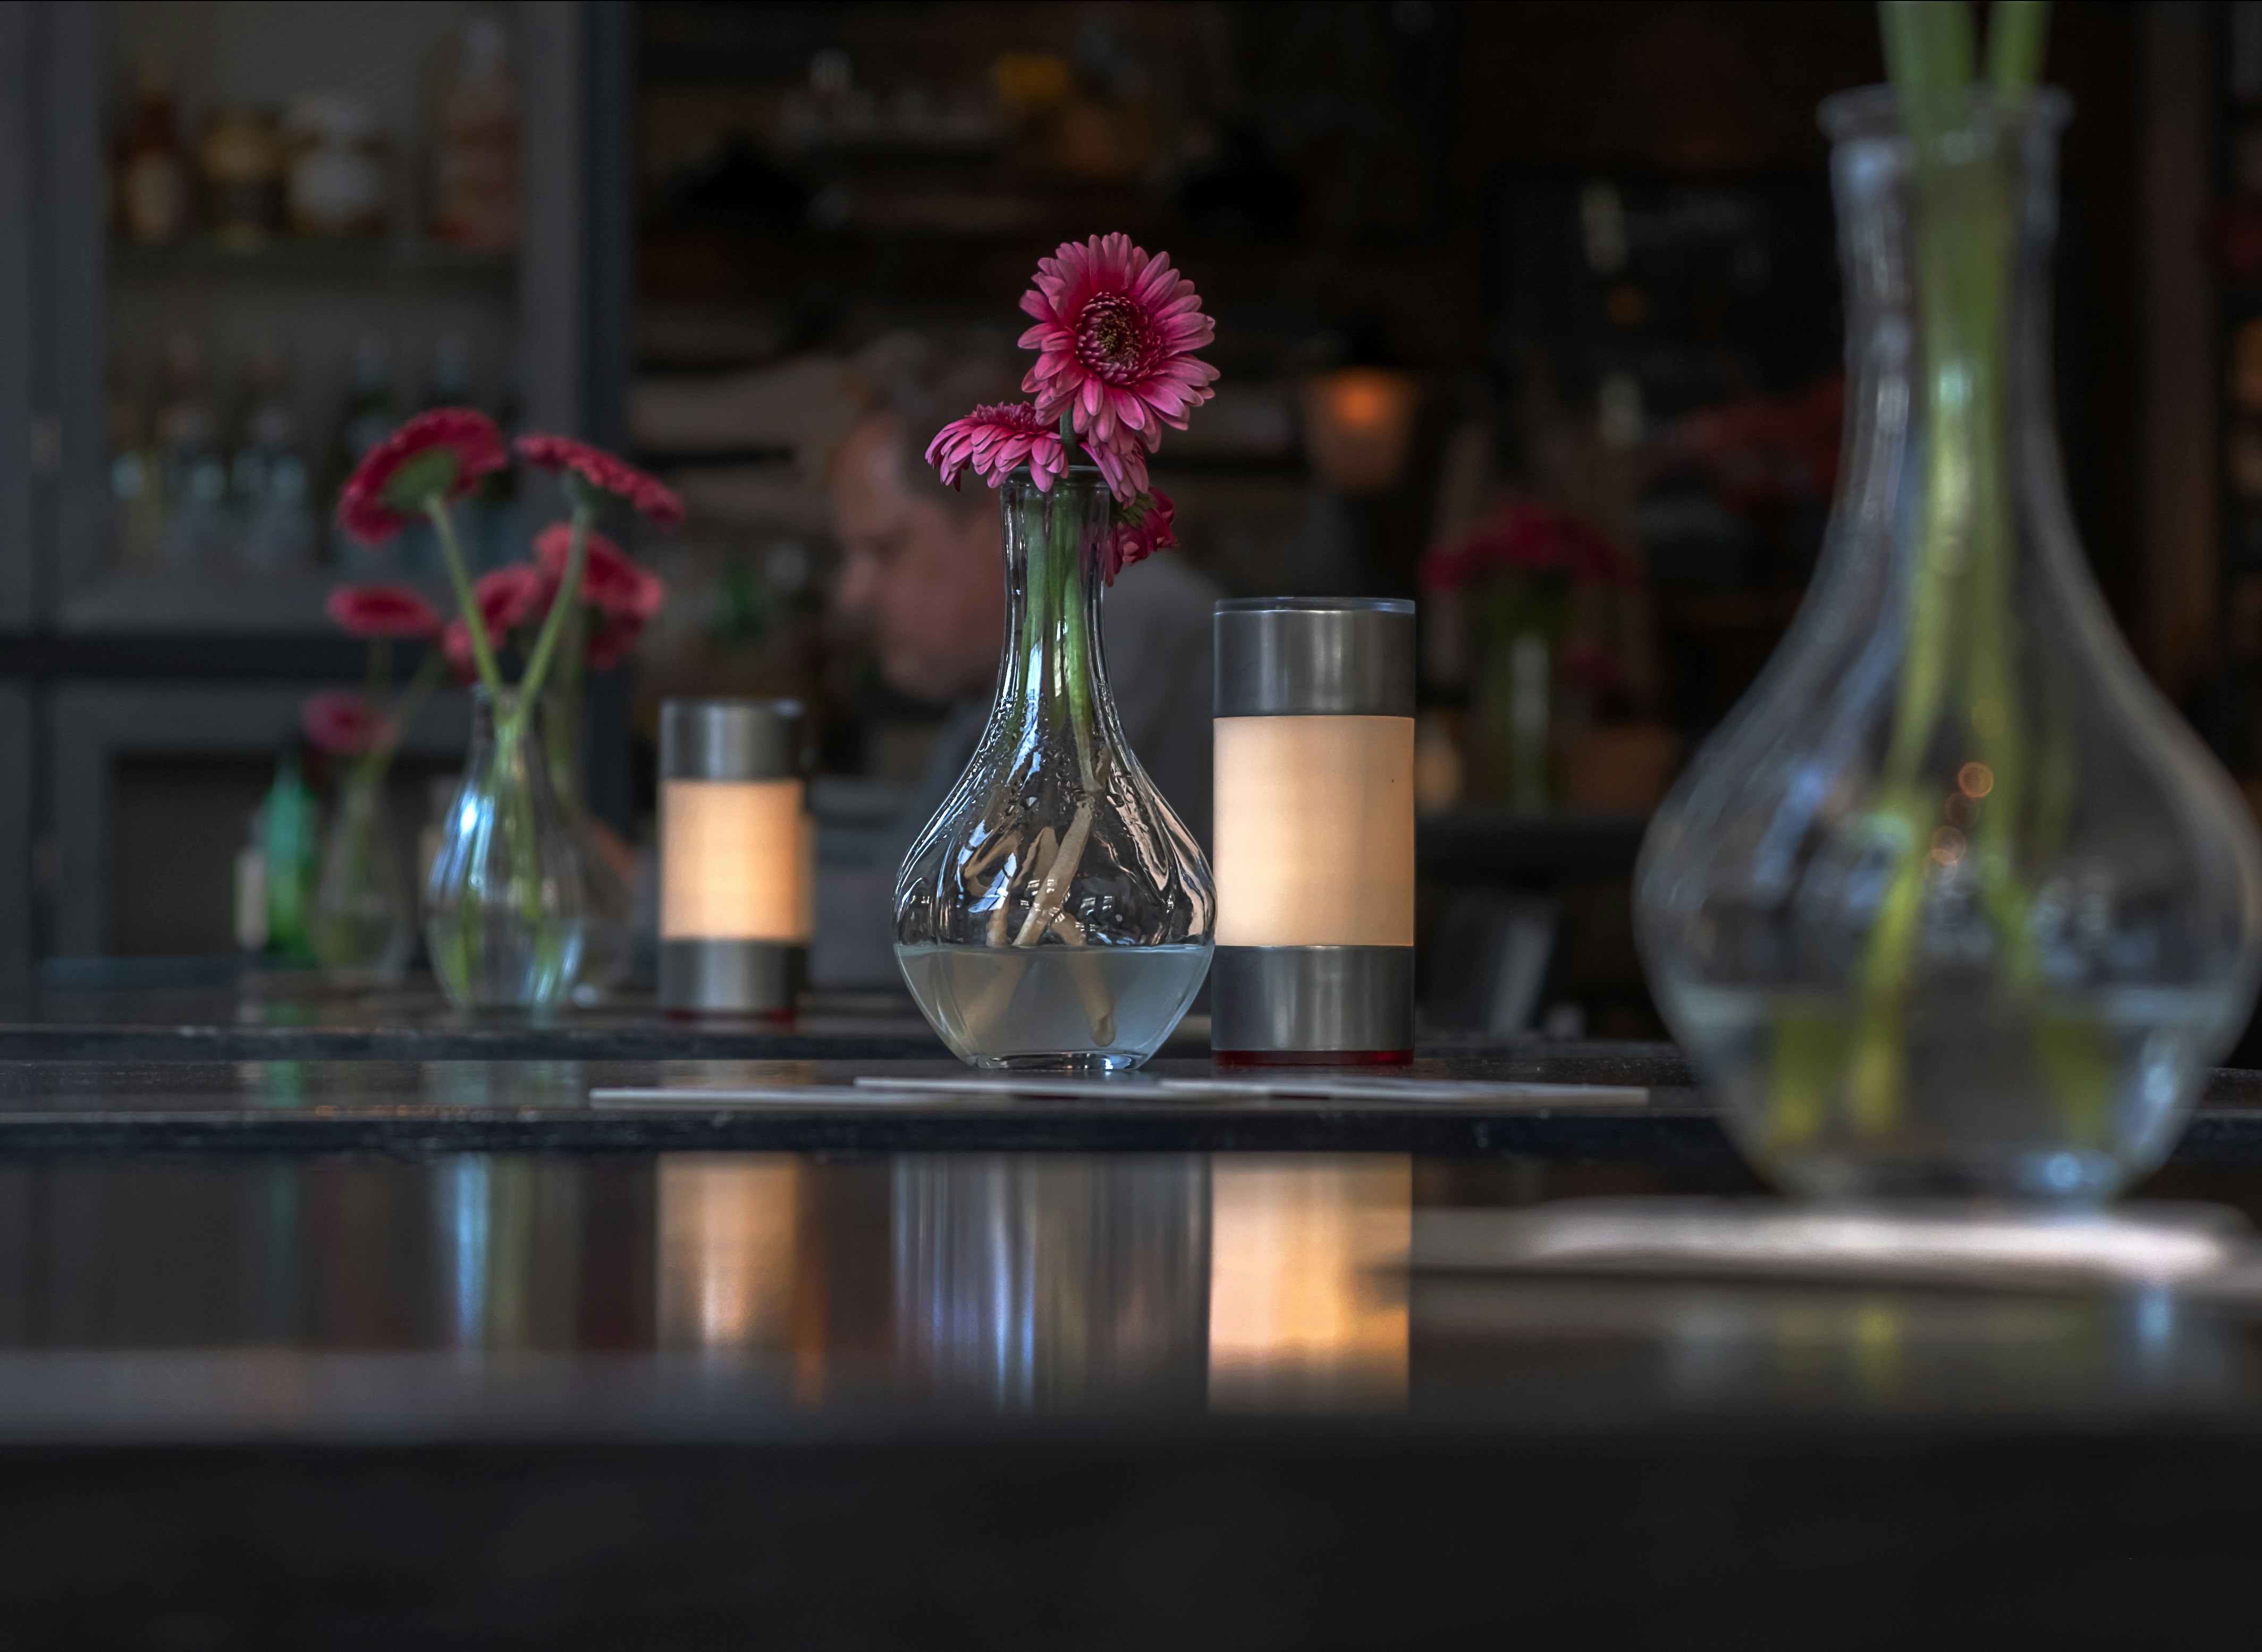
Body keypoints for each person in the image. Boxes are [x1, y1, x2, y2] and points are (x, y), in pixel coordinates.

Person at [824, 356, 1219, 980]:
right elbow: (907, 876)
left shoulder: (1126, 626)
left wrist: (658, 898)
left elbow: (984, 916)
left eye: (882, 549)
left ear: (995, 520)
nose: (852, 593)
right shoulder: (999, 680)